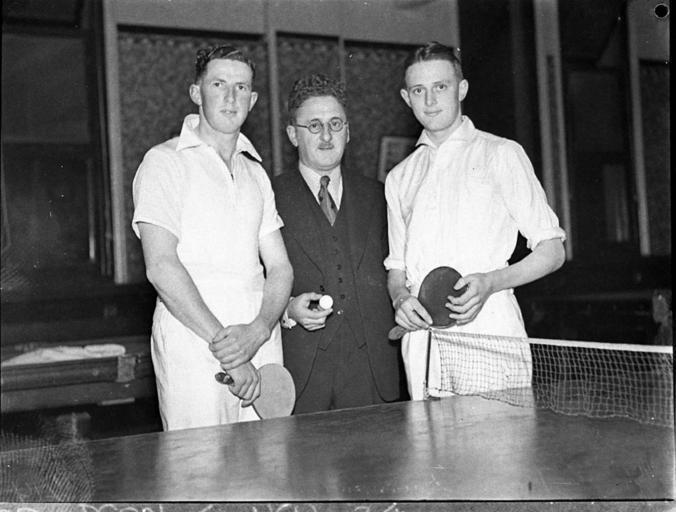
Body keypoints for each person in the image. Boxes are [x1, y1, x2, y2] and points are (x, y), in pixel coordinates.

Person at [385, 42, 566, 400]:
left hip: (489, 331)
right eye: (419, 90)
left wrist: (490, 283)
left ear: (462, 89)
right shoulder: (399, 177)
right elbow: (397, 270)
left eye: (441, 86)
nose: (430, 100)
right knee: (428, 439)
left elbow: (553, 251)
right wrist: (400, 300)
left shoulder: (502, 154)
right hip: (423, 342)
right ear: (406, 98)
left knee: (496, 438)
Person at [131, 45, 293, 430]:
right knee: (199, 465)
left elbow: (280, 267)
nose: (230, 97)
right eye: (219, 84)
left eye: (241, 88)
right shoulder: (164, 162)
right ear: (196, 92)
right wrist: (231, 352)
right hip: (195, 344)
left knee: (268, 463)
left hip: (260, 341)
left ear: (253, 100)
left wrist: (259, 329)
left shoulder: (256, 173)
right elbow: (161, 267)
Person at [272, 74, 402, 413]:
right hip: (301, 377)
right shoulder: (268, 197)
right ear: (293, 135)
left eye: (335, 124)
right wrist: (287, 310)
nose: (327, 136)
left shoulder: (380, 195)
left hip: (373, 375)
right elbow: (249, 282)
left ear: (348, 131)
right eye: (314, 126)